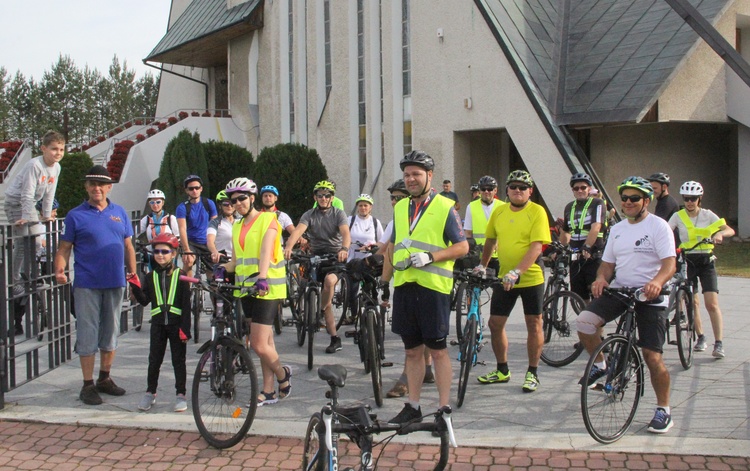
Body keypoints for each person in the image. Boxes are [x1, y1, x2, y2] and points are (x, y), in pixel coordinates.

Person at [577, 176, 676, 433]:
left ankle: (663, 409)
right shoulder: (618, 229)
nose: (628, 202)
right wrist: (600, 278)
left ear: (646, 201)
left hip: (651, 295)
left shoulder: (659, 226)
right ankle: (601, 365)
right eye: (624, 198)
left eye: (634, 198)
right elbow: (608, 264)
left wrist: (656, 282)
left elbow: (669, 264)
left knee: (651, 356)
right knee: (584, 322)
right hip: (621, 290)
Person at [379, 150, 468, 424]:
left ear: (430, 175)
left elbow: (463, 247)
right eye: (407, 175)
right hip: (405, 286)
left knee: (438, 350)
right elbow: (392, 246)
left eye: (416, 174)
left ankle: (443, 410)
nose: (411, 179)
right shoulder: (399, 207)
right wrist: (384, 281)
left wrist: (432, 256)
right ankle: (413, 406)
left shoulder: (444, 207)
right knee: (411, 351)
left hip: (433, 288)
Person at [54, 165, 137, 406]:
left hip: (115, 282)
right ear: (86, 187)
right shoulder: (75, 215)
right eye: (92, 183)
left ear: (109, 187)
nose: (96, 188)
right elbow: (64, 248)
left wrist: (133, 275)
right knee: (88, 333)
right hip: (87, 284)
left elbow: (128, 246)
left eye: (101, 184)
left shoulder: (119, 213)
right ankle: (87, 384)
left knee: (110, 332)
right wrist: (60, 269)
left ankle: (104, 378)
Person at [475, 170, 550, 393]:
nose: (518, 190)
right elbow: (490, 240)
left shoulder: (537, 211)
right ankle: (502, 370)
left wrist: (517, 271)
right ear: (506, 190)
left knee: (534, 323)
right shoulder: (498, 212)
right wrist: (483, 265)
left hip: (530, 277)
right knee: (495, 324)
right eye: (514, 186)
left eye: (523, 187)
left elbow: (537, 246)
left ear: (530, 191)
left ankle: (532, 373)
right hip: (504, 277)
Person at [222, 178, 292, 406]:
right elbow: (235, 261)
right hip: (245, 289)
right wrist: (221, 269)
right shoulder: (236, 226)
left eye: (242, 198)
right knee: (267, 342)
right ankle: (269, 390)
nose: (238, 203)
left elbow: (265, 251)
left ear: (252, 198)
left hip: (267, 287)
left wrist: (262, 277)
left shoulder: (268, 219)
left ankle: (283, 375)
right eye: (233, 200)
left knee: (259, 344)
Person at [379, 179, 435, 399]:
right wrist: (384, 281)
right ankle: (426, 370)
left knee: (419, 339)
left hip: (430, 283)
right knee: (416, 336)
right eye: (392, 198)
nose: (395, 201)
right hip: (406, 283)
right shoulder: (398, 218)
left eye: (399, 197)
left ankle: (406, 380)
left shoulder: (427, 215)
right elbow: (388, 251)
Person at [668, 181, 735, 358]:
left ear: (699, 199)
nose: (690, 202)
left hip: (706, 261)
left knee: (711, 303)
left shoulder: (707, 215)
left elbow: (729, 230)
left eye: (693, 199)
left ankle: (719, 343)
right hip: (688, 261)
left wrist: (720, 234)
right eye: (686, 198)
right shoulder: (678, 216)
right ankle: (701, 337)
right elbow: (665, 231)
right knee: (693, 302)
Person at [285, 180, 351, 353]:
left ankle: (322, 312)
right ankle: (306, 309)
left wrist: (344, 249)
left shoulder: (338, 214)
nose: (323, 198)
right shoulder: (309, 214)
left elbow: (345, 233)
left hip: (334, 256)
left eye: (327, 195)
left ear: (332, 198)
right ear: (315, 197)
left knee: (329, 282)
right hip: (315, 256)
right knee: (307, 283)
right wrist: (289, 247)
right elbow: (298, 231)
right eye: (320, 195)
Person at [129, 233, 191, 412]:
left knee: (178, 360)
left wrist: (185, 329)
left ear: (173, 253)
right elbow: (144, 301)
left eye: (165, 251)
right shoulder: (150, 277)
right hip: (157, 325)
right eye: (157, 251)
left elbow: (186, 305)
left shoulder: (181, 276)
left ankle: (181, 394)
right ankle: (150, 392)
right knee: (154, 360)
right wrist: (134, 285)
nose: (160, 255)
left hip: (176, 324)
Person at [4, 130, 64, 295]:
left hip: (30, 204)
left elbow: (50, 193)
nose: (58, 153)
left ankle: (28, 276)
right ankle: (14, 280)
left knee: (36, 242)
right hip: (17, 203)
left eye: (61, 149)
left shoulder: (56, 167)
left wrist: (46, 214)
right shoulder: (34, 165)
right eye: (54, 149)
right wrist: (25, 216)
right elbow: (27, 193)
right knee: (23, 242)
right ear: (43, 149)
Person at [558, 173, 607, 301]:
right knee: (579, 294)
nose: (580, 190)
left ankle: (597, 318)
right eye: (576, 188)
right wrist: (558, 247)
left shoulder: (597, 203)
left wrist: (587, 246)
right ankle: (585, 317)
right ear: (573, 190)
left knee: (596, 291)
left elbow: (596, 227)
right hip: (575, 255)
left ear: (589, 189)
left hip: (592, 253)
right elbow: (567, 233)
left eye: (583, 187)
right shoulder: (569, 207)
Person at [176, 175, 218, 272]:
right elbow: (182, 229)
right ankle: (186, 286)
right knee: (188, 261)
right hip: (191, 242)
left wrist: (213, 245)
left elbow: (214, 225)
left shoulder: (208, 203)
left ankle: (211, 286)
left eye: (197, 188)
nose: (194, 191)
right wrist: (186, 249)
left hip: (207, 242)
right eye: (191, 188)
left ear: (201, 189)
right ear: (186, 191)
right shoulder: (182, 207)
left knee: (212, 268)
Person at [464, 175, 503, 274]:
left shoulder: (503, 206)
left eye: (490, 189)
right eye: (483, 189)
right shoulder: (471, 206)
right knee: (474, 288)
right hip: (479, 256)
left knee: (500, 287)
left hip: (499, 255)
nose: (486, 191)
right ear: (479, 191)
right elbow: (468, 233)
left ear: (495, 190)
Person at [138, 189, 179, 269]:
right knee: (152, 275)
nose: (155, 205)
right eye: (152, 202)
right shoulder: (146, 219)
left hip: (167, 253)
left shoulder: (170, 218)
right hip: (152, 252)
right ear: (149, 204)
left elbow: (178, 236)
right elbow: (134, 232)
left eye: (158, 202)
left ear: (163, 203)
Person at [347, 194, 383, 261]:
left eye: (365, 205)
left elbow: (382, 242)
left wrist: (371, 247)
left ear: (370, 207)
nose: (363, 208)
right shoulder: (350, 220)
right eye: (360, 205)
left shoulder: (375, 222)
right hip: (352, 258)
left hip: (369, 259)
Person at [207, 190, 236, 263]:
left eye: (232, 203)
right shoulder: (215, 222)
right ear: (220, 206)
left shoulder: (241, 221)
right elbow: (210, 241)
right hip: (224, 260)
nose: (229, 206)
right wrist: (214, 252)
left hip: (240, 261)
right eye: (225, 204)